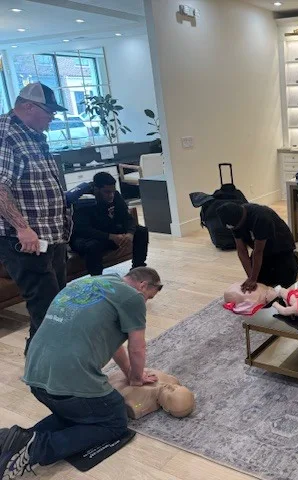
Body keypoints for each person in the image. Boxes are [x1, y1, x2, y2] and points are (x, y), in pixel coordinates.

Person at [0, 267, 163, 478]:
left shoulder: (86, 283)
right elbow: (137, 347)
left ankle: (12, 441)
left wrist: (130, 373)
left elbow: (113, 344)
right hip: (68, 384)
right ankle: (35, 448)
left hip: (35, 376)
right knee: (114, 422)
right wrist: (137, 379)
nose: (146, 302)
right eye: (149, 297)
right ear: (143, 285)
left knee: (79, 415)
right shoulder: (134, 297)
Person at [0, 82, 71, 353]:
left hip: (51, 236)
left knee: (55, 306)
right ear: (28, 106)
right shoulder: (7, 135)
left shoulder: (31, 134)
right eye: (49, 111)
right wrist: (23, 228)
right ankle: (47, 367)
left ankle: (42, 362)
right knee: (47, 310)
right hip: (26, 241)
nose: (52, 117)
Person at [70, 172, 149, 276]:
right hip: (87, 237)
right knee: (93, 246)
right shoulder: (84, 201)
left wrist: (130, 233)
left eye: (113, 191)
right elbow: (83, 230)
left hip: (109, 232)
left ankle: (137, 269)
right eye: (107, 192)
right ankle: (97, 279)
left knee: (141, 231)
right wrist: (110, 236)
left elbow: (127, 218)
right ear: (96, 189)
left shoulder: (115, 195)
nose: (111, 195)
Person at [217, 202, 298, 292]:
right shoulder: (233, 222)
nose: (235, 229)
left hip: (281, 247)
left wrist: (253, 279)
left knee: (286, 282)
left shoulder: (260, 217)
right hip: (262, 250)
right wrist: (251, 278)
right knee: (261, 282)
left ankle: (294, 260)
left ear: (242, 218)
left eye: (237, 227)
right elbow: (241, 251)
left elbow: (258, 252)